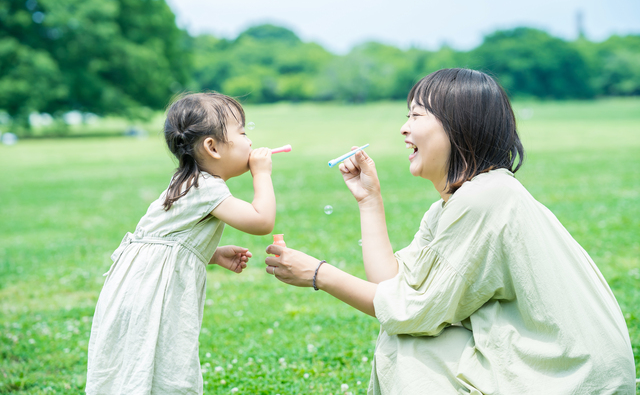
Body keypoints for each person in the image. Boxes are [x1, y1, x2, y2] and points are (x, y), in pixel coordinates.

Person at [265, 69, 636, 394]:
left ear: (459, 127)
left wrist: (319, 274)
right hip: (561, 369)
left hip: (570, 379)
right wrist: (369, 200)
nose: (403, 127)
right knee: (409, 335)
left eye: (416, 115)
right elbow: (392, 285)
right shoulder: (460, 201)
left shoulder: (486, 199)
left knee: (407, 345)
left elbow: (408, 313)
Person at [86, 92, 276, 394]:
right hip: (154, 295)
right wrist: (262, 174)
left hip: (136, 286)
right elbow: (261, 220)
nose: (250, 142)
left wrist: (210, 254)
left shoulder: (184, 182)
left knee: (137, 361)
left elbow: (166, 241)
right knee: (166, 361)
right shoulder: (207, 188)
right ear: (211, 147)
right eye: (242, 133)